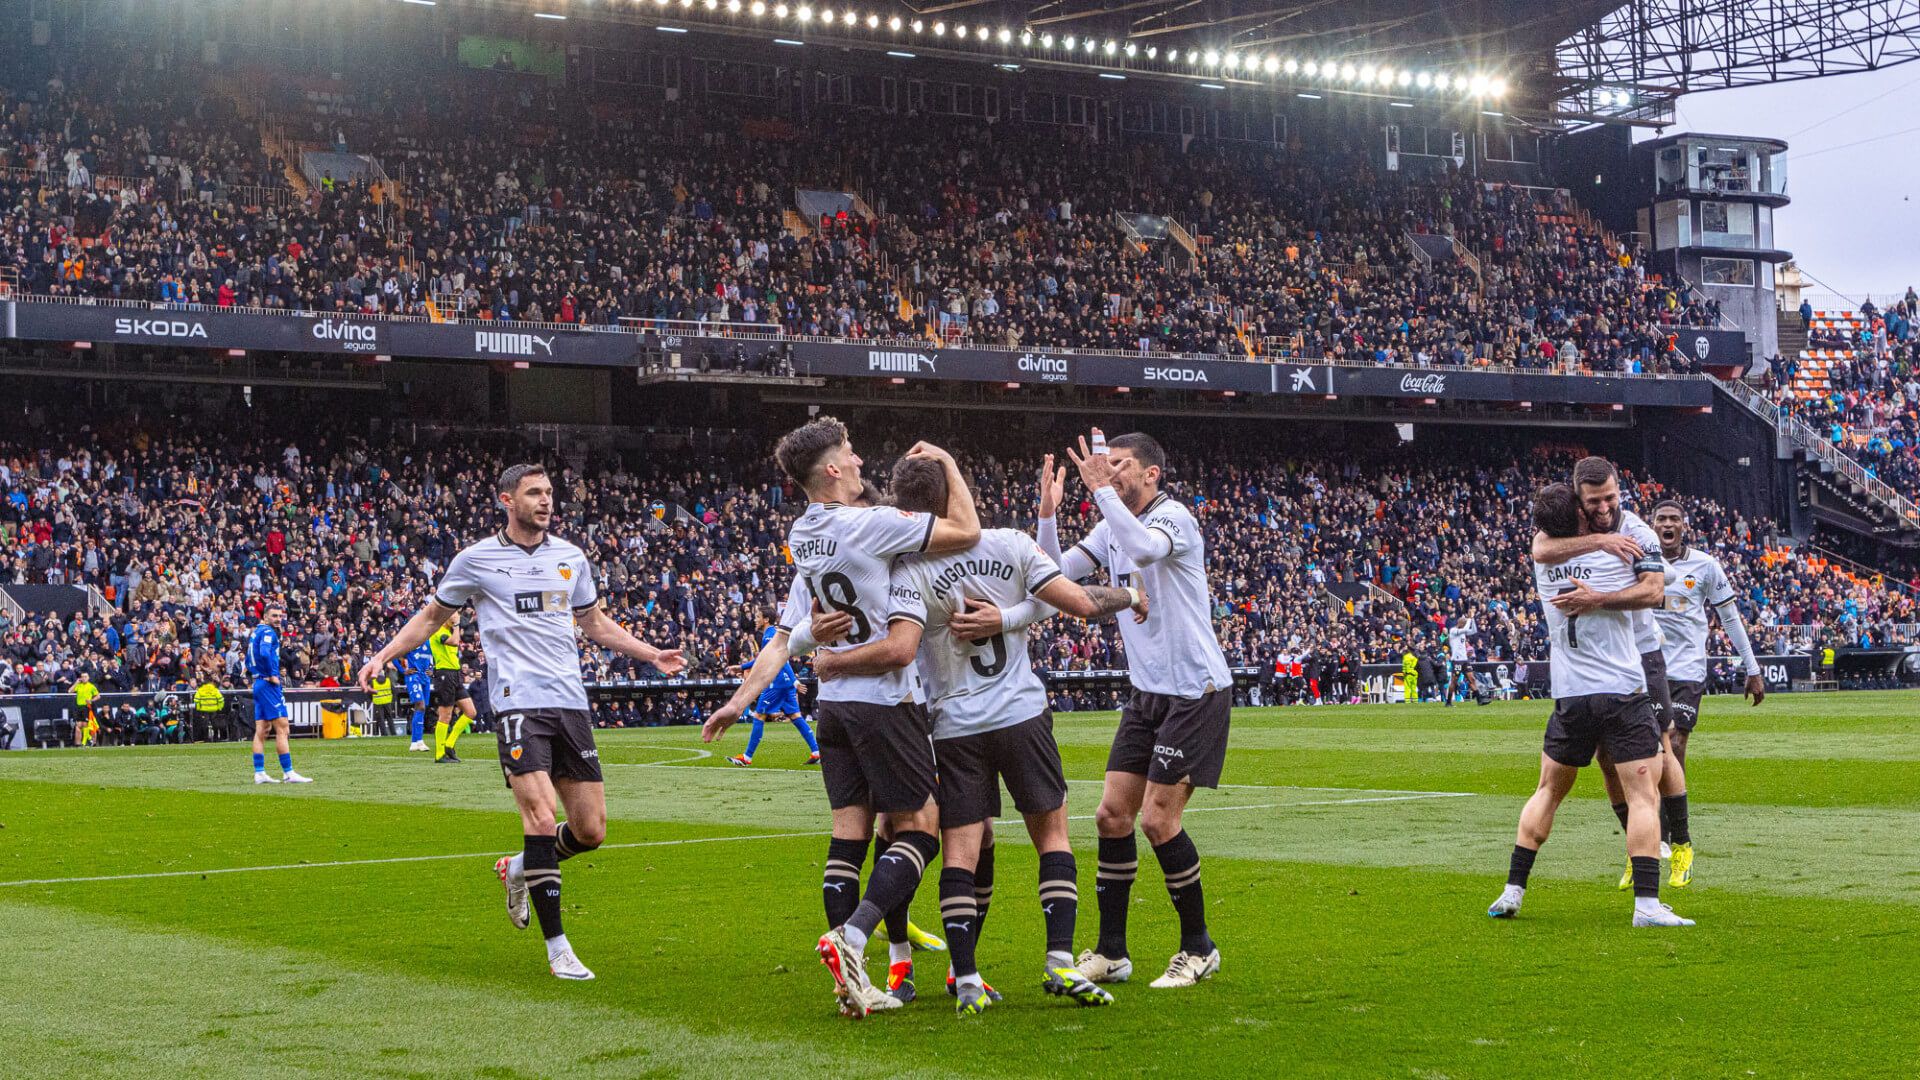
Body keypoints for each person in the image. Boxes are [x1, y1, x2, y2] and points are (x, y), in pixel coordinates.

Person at [808, 455, 1140, 1015]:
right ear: (959, 490)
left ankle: (966, 981)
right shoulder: (1009, 542)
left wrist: (824, 646)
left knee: (961, 848)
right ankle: (1059, 962)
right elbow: (1080, 603)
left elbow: (889, 636)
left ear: (909, 510)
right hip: (1020, 713)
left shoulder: (904, 568)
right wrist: (1132, 596)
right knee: (1052, 837)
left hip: (955, 724)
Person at [356, 463, 686, 981]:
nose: (545, 500)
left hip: (569, 702)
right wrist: (382, 656)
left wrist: (650, 654)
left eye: (549, 492)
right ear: (507, 500)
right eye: (534, 492)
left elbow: (594, 623)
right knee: (538, 814)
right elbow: (428, 618)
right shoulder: (476, 560)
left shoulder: (570, 557)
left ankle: (518, 868)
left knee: (591, 830)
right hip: (516, 702)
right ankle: (558, 947)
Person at [704, 416, 981, 1019]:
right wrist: (950, 465)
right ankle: (852, 937)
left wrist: (737, 701)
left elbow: (784, 637)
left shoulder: (803, 536)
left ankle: (850, 986)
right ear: (832, 469)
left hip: (833, 708)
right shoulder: (869, 526)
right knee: (921, 829)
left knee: (848, 834)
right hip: (884, 701)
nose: (859, 461)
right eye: (850, 452)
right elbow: (965, 529)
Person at [1023, 429, 1232, 990]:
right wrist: (1048, 514)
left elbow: (1141, 549)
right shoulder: (1109, 523)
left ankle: (1199, 948)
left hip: (1195, 689)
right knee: (1111, 816)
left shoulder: (1174, 518)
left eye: (1118, 464)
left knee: (1159, 820)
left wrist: (1100, 493)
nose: (1106, 470)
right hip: (1149, 693)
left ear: (1150, 474)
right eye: (1103, 463)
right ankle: (1113, 951)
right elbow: (1052, 576)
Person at [1489, 483, 1692, 927]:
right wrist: (1611, 544)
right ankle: (1647, 905)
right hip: (1622, 692)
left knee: (1547, 792)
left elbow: (1542, 547)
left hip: (1570, 696)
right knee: (1642, 798)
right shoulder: (1614, 556)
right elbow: (1662, 586)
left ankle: (1512, 891)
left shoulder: (1544, 561)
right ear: (1581, 515)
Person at [1531, 457, 1692, 888]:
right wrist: (1600, 542)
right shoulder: (1577, 533)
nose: (1603, 507)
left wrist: (1598, 599)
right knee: (1607, 759)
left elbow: (1656, 590)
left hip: (1642, 652)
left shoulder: (1638, 531)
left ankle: (1681, 845)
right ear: (1579, 503)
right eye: (1594, 502)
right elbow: (1540, 549)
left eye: (1610, 498)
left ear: (1619, 490)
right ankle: (1641, 848)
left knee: (1661, 747)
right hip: (1601, 666)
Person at [1647, 498, 1766, 887]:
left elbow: (1729, 617)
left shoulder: (1705, 566)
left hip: (1686, 670)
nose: (1667, 524)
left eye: (1673, 519)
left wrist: (1752, 669)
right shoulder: (1640, 562)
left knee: (1675, 744)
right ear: (1652, 525)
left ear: (1684, 526)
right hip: (1647, 665)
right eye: (1661, 519)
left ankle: (1667, 834)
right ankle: (1653, 835)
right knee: (1647, 750)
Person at [727, 609, 820, 768]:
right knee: (795, 716)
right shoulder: (774, 633)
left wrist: (794, 680)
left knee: (759, 716)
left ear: (766, 619)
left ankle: (747, 757)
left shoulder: (770, 634)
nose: (755, 620)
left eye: (757, 617)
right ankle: (816, 751)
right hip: (785, 683)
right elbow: (765, 659)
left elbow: (780, 659)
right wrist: (742, 667)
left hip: (777, 683)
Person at [249, 604, 312, 784]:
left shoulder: (256, 632)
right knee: (283, 728)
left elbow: (249, 657)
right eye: (274, 616)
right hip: (268, 684)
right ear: (266, 616)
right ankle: (288, 772)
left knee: (262, 730)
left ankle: (259, 772)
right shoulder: (268, 632)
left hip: (258, 683)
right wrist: (270, 674)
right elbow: (264, 653)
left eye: (279, 616)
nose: (278, 619)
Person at [430, 619, 477, 762]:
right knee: (445, 715)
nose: (454, 620)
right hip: (445, 674)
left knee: (471, 712)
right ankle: (439, 754)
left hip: (455, 674)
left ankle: (449, 745)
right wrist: (456, 626)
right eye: (452, 617)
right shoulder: (438, 631)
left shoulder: (448, 631)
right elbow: (455, 642)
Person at [402, 641, 434, 752]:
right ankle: (419, 741)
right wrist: (403, 670)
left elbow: (433, 657)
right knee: (421, 706)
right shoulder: (411, 642)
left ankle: (414, 742)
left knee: (421, 708)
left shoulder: (429, 642)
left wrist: (432, 670)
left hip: (426, 678)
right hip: (414, 677)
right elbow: (394, 657)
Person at [193, 678, 226, 743]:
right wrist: (219, 707)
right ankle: (216, 738)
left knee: (205, 725)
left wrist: (199, 708)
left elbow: (196, 700)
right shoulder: (215, 690)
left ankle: (206, 739)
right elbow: (221, 699)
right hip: (214, 710)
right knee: (215, 724)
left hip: (204, 710)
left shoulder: (200, 690)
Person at [72, 672, 100, 747]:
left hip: (87, 707)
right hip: (79, 707)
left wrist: (91, 700)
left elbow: (98, 696)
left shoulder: (91, 686)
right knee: (78, 725)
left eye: (85, 676)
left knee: (87, 725)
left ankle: (92, 742)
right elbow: (70, 691)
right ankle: (78, 744)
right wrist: (76, 683)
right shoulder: (78, 685)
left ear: (88, 678)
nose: (84, 678)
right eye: (82, 677)